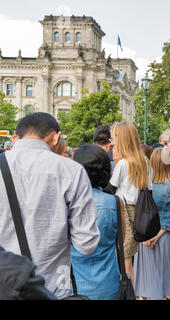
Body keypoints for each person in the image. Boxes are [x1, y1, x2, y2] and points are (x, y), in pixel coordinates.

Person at [0, 112, 100, 299]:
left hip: (4, 287)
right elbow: (87, 243)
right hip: (52, 286)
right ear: (56, 136)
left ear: (16, 137)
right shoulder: (72, 171)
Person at [71, 144, 126, 300]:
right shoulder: (115, 202)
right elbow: (120, 239)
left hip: (76, 284)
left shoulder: (67, 203)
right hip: (109, 281)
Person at [133, 148, 170, 299]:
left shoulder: (143, 185)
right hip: (166, 236)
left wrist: (147, 236)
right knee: (166, 282)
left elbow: (138, 212)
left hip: (145, 236)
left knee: (147, 281)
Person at [107, 121, 150, 289]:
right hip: (138, 212)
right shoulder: (144, 161)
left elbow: (111, 189)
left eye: (114, 137)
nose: (112, 141)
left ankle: (128, 294)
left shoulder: (123, 163)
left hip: (123, 212)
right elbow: (148, 189)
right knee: (128, 262)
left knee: (124, 264)